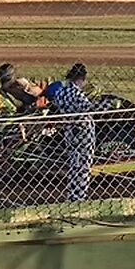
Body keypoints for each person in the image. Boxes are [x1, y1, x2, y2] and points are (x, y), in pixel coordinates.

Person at [49, 63, 109, 202]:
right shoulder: (77, 93)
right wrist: (107, 104)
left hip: (70, 131)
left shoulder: (61, 93)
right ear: (81, 79)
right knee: (84, 166)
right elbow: (90, 109)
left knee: (73, 165)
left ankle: (72, 195)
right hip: (83, 132)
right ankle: (79, 196)